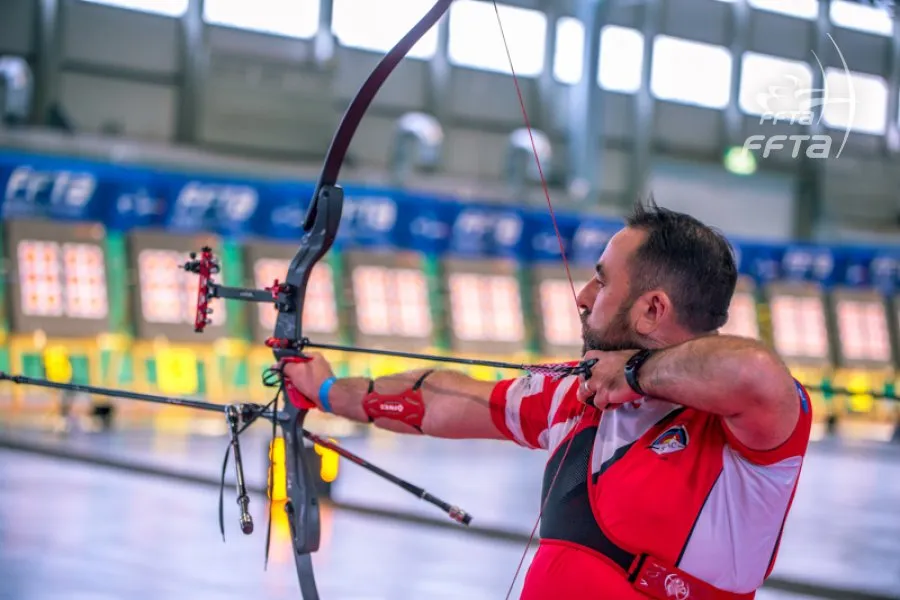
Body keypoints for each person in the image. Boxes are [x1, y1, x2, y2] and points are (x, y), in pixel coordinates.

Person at [283, 199, 812, 600]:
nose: (582, 297)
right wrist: (329, 391)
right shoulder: (577, 392)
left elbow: (754, 371)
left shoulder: (744, 428)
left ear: (653, 310)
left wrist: (635, 372)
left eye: (601, 284)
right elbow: (448, 399)